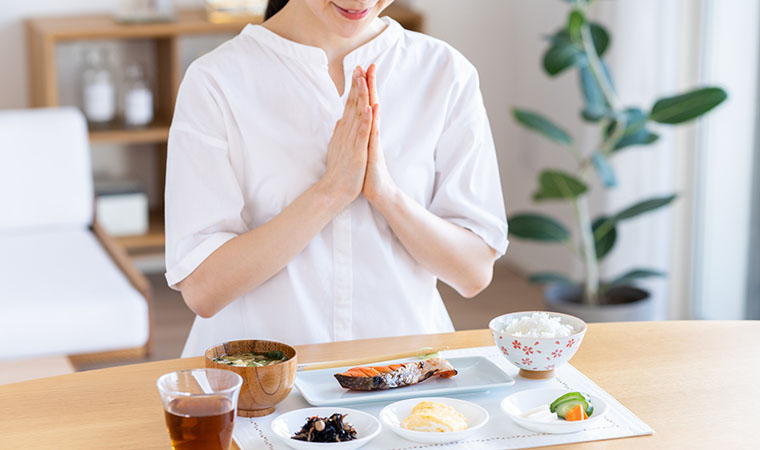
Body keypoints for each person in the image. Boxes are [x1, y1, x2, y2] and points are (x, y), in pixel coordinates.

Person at [164, 0, 509, 357]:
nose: (361, 2)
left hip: (405, 382)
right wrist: (330, 192)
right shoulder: (216, 82)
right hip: (260, 383)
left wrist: (385, 194)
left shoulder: (444, 73)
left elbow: (474, 272)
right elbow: (203, 289)